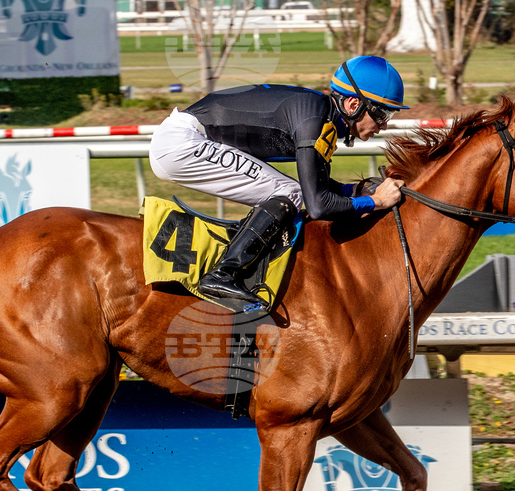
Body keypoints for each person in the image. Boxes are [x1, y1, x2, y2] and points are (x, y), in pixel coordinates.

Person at [148, 55, 408, 309]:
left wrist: (356, 190)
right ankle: (224, 274)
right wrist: (376, 201)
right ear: (353, 105)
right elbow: (318, 206)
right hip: (181, 144)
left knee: (291, 191)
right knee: (290, 193)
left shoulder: (322, 116)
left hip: (184, 139)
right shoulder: (315, 121)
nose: (383, 126)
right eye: (382, 114)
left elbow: (318, 185)